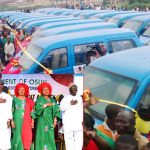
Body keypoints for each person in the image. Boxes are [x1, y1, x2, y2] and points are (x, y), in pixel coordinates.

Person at [35, 82, 60, 150]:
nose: (46, 91)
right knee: (41, 136)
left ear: (49, 90)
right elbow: (37, 109)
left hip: (50, 121)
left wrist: (55, 120)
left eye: (47, 89)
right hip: (42, 120)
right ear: (42, 91)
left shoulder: (52, 100)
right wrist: (46, 105)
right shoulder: (39, 99)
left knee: (50, 136)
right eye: (44, 90)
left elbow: (56, 110)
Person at [11, 83, 35, 150]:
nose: (21, 91)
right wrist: (12, 121)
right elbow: (11, 111)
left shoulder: (29, 100)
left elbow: (32, 111)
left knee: (27, 136)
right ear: (17, 91)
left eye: (23, 90)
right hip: (17, 121)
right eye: (20, 90)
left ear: (26, 91)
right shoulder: (14, 100)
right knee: (17, 135)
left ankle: (26, 148)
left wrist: (32, 121)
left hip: (27, 121)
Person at [60, 83, 83, 150]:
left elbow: (81, 109)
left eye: (75, 88)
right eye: (73, 88)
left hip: (77, 122)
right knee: (69, 139)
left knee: (79, 139)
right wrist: (70, 104)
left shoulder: (79, 98)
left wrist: (81, 120)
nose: (74, 90)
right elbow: (61, 108)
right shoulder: (66, 98)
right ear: (69, 90)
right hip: (68, 122)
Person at [0, 79, 12, 150]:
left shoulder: (8, 97)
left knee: (5, 137)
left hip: (4, 120)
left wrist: (9, 120)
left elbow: (9, 109)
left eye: (1, 84)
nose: (0, 85)